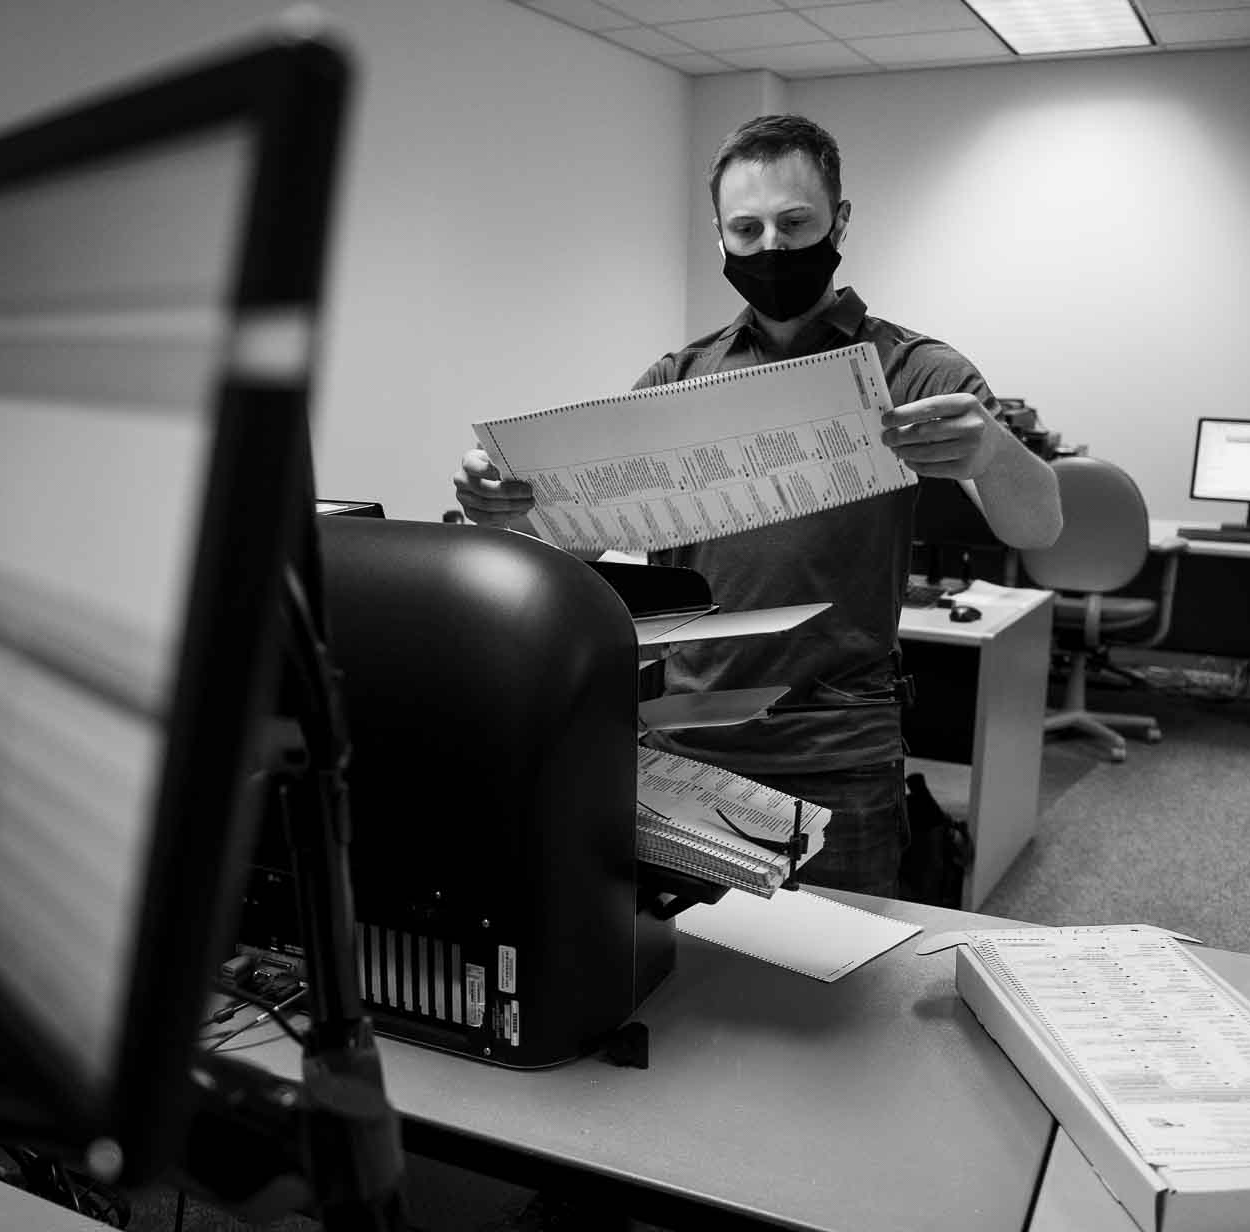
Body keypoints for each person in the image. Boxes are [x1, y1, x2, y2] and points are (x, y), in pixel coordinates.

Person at [454, 114, 1061, 899]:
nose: (770, 246)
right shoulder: (679, 373)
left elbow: (1038, 525)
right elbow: (578, 550)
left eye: (794, 222)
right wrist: (504, 517)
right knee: (688, 985)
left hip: (835, 746)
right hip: (681, 736)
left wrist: (994, 453)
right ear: (720, 240)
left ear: (839, 222)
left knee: (838, 988)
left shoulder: (911, 367)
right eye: (746, 228)